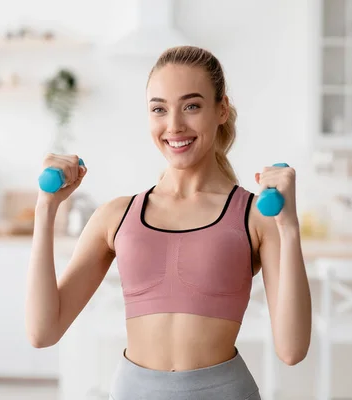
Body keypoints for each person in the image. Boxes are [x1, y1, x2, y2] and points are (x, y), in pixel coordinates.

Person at [25, 45, 312, 400]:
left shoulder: (255, 217)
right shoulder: (116, 217)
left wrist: (289, 226)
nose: (174, 125)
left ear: (221, 110)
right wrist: (45, 208)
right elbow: (43, 332)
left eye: (191, 106)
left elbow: (292, 350)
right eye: (159, 109)